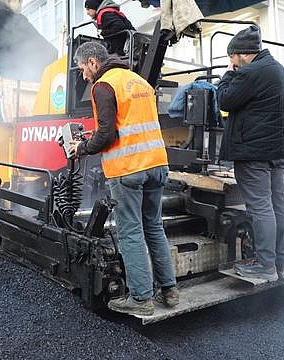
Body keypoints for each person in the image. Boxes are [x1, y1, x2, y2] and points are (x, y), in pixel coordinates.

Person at [68, 41, 178, 316]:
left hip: (129, 168)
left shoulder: (104, 85)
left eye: (82, 69)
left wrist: (81, 148)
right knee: (154, 227)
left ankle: (141, 299)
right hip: (157, 164)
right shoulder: (138, 81)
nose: (83, 76)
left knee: (130, 232)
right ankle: (169, 291)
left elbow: (107, 135)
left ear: (93, 62)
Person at [216, 25, 284, 281]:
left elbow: (225, 100)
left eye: (232, 57)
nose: (232, 62)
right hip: (277, 150)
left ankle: (265, 266)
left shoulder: (251, 72)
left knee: (261, 207)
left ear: (241, 54)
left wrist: (227, 75)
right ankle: (281, 261)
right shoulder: (277, 70)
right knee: (278, 204)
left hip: (255, 152)